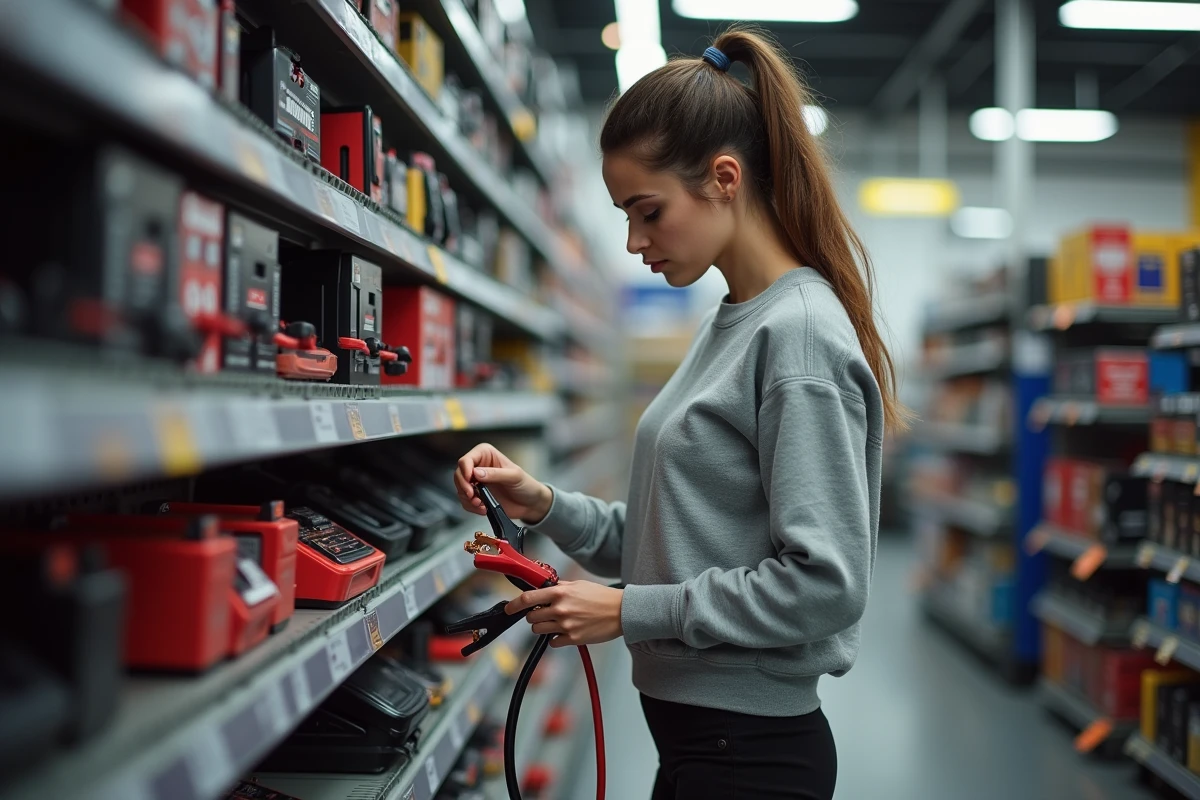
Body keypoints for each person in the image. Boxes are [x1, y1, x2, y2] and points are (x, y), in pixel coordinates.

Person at [454, 26, 906, 800]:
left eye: (648, 211)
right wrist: (545, 504)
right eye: (625, 215)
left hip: (749, 759)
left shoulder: (796, 337)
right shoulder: (734, 320)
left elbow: (826, 584)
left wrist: (629, 612)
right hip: (705, 747)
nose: (634, 241)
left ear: (724, 179)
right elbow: (674, 545)